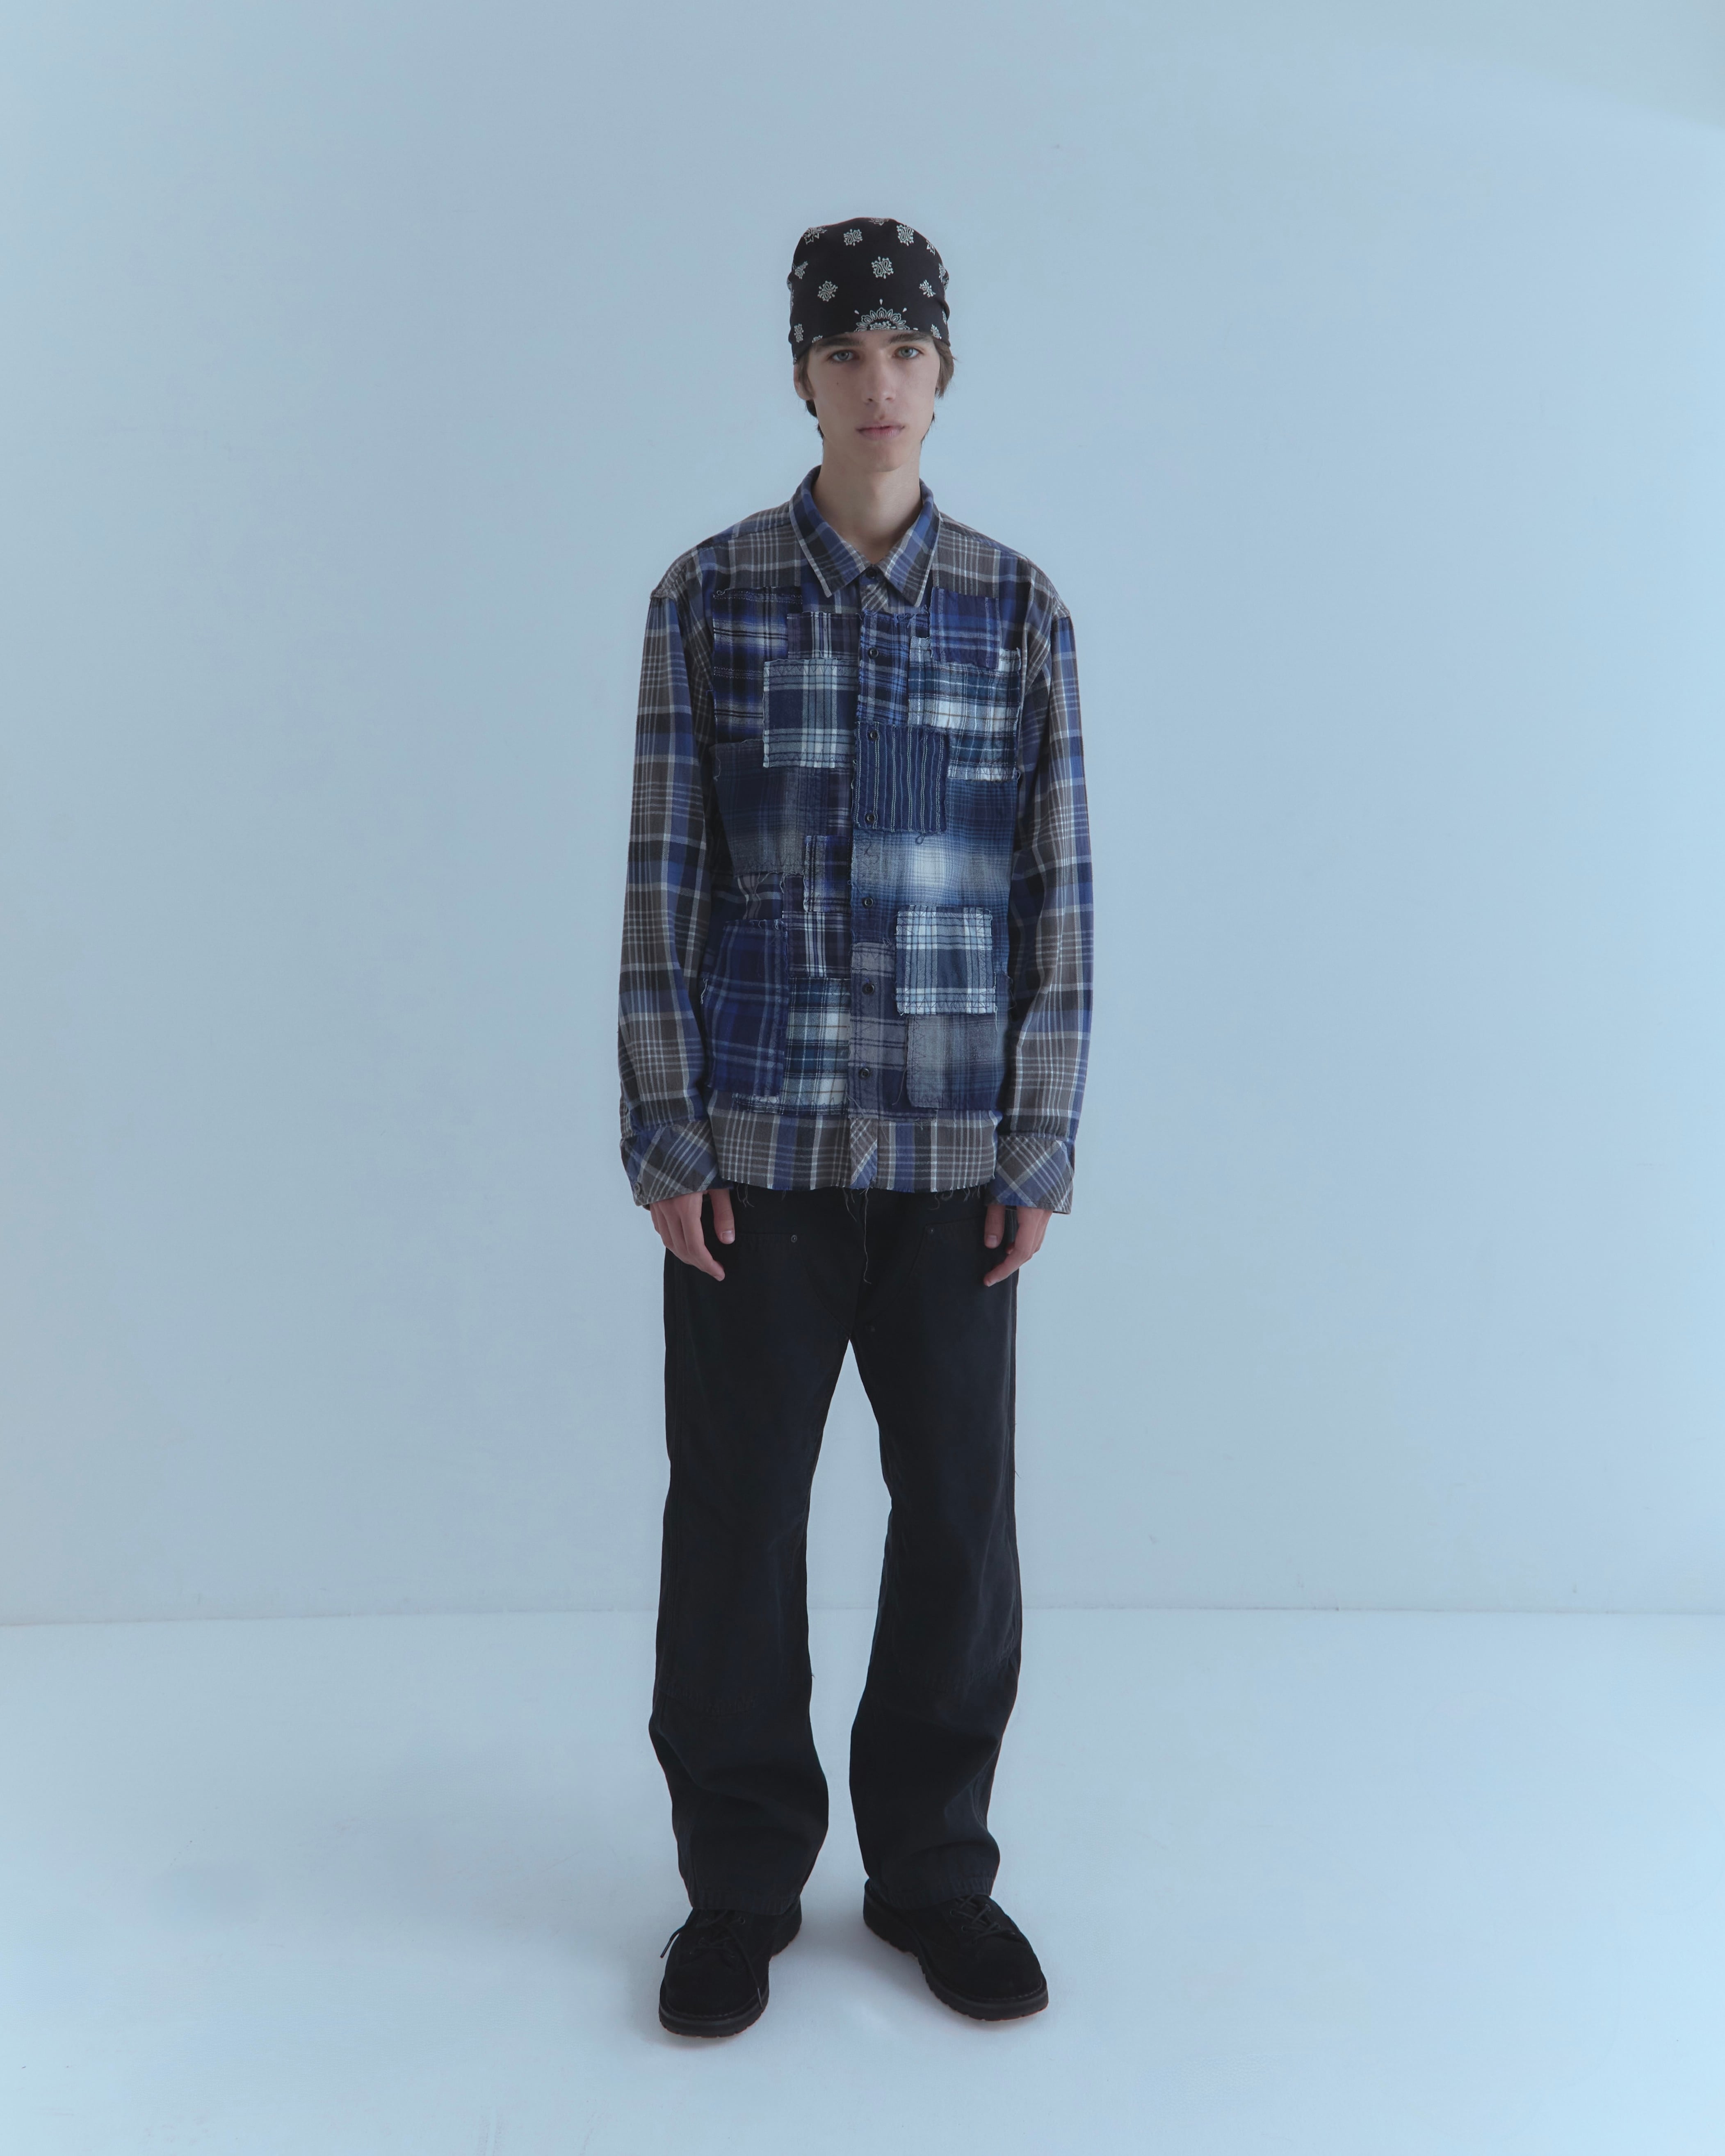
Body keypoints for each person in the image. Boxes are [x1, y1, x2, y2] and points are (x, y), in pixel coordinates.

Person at [616, 216, 1093, 2038]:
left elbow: (1058, 891)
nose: (876, 381)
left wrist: (1037, 1142)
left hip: (957, 1171)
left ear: (944, 372)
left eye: (905, 348)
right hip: (756, 1165)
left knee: (958, 1523)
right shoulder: (708, 597)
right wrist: (666, 1131)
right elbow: (663, 878)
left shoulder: (1017, 612)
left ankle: (930, 1873)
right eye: (844, 351)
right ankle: (738, 1887)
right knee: (737, 1526)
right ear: (801, 378)